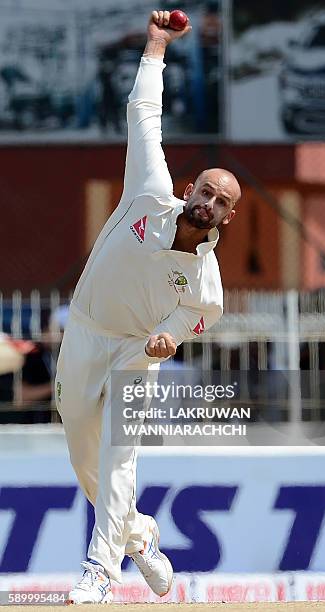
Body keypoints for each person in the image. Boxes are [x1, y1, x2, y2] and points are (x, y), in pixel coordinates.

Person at [56, 9, 241, 605]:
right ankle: (141, 536)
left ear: (228, 217)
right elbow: (144, 114)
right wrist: (156, 48)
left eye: (222, 201)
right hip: (86, 332)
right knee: (85, 456)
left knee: (117, 462)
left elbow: (194, 319)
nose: (209, 201)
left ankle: (100, 573)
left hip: (137, 355)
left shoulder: (206, 282)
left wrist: (167, 337)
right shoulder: (149, 192)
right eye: (206, 189)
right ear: (191, 191)